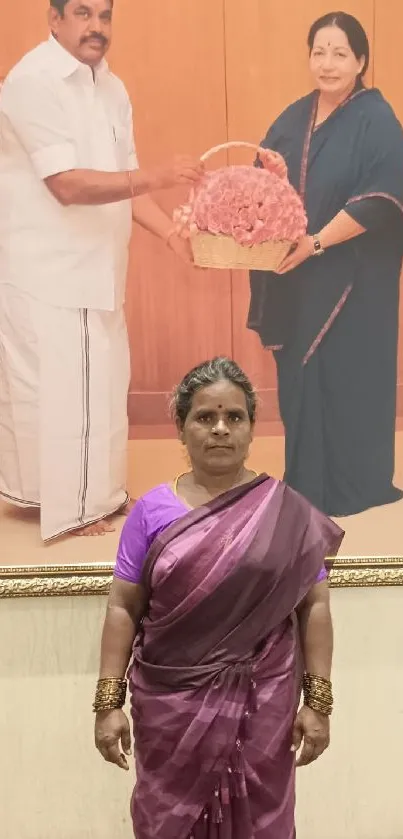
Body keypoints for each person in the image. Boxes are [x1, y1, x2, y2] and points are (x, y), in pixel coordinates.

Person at [94, 357, 344, 839]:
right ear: (182, 429)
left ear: (252, 428)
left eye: (235, 417)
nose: (220, 429)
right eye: (205, 417)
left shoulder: (285, 511)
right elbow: (123, 606)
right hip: (170, 703)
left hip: (263, 701)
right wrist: (108, 702)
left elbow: (314, 605)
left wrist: (319, 703)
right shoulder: (151, 511)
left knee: (263, 816)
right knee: (167, 818)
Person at [0, 0, 203, 540]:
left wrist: (173, 236)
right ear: (55, 19)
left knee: (102, 386)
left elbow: (124, 179)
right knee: (58, 390)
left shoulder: (111, 88)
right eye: (84, 14)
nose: (96, 27)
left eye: (105, 16)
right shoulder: (31, 81)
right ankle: (72, 511)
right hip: (49, 271)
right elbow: (66, 184)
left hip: (100, 269)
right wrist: (160, 176)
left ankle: (91, 498)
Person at [248, 11, 403, 517]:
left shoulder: (377, 118)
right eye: (319, 51)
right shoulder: (292, 118)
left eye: (340, 53)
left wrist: (316, 243)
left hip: (354, 280)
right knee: (299, 374)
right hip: (295, 277)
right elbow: (260, 184)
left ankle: (354, 484)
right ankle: (307, 482)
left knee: (349, 375)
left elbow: (383, 196)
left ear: (360, 60)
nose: (328, 63)